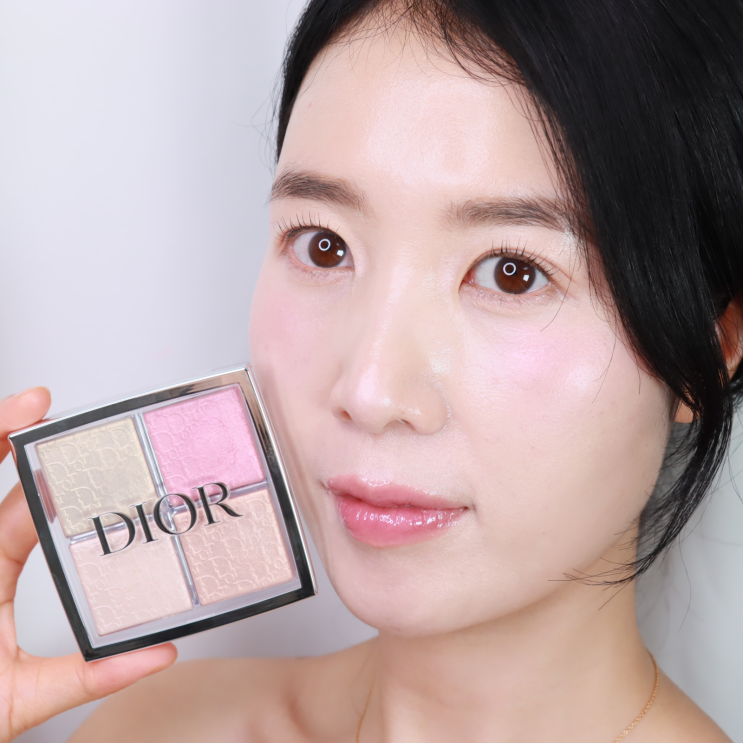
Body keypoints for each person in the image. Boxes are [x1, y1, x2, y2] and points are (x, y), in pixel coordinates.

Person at [1, 0, 742, 740]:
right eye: (323, 245)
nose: (369, 392)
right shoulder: (158, 726)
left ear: (710, 346)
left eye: (512, 272)